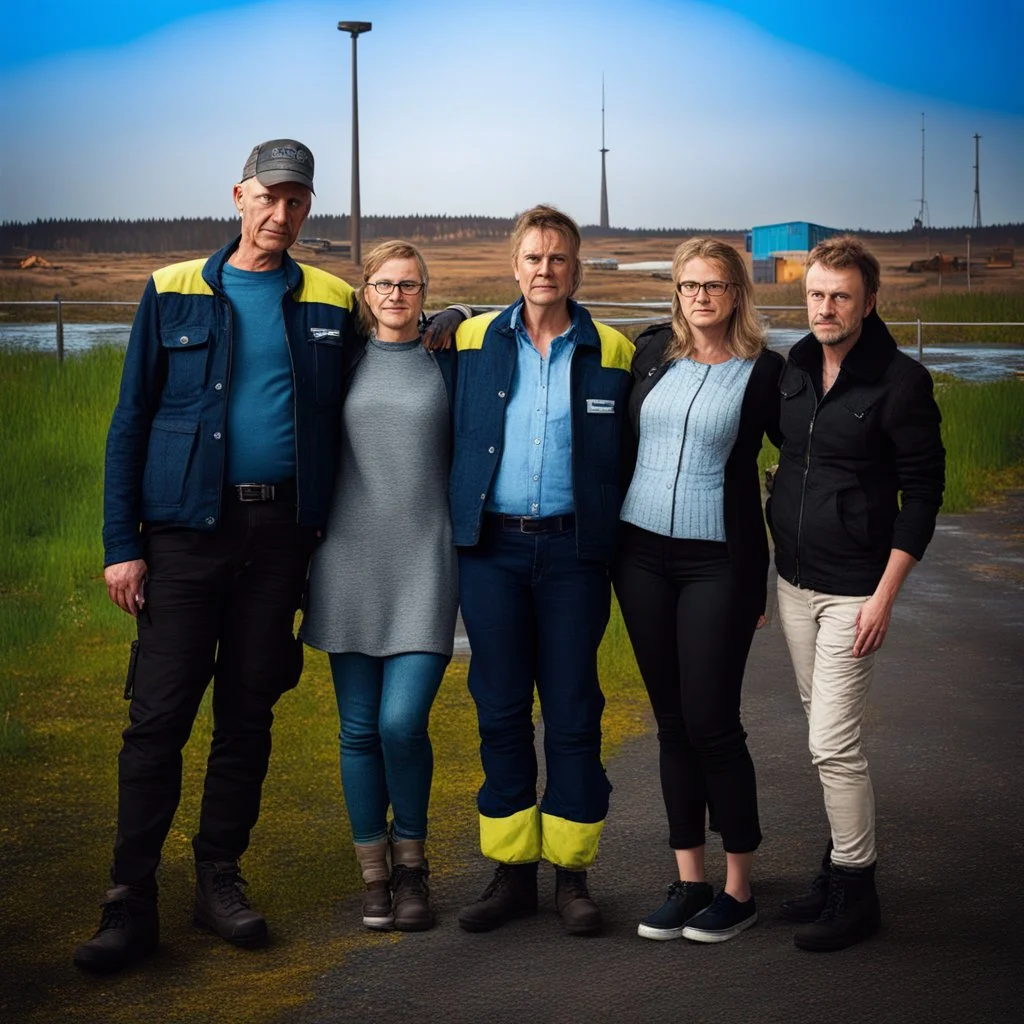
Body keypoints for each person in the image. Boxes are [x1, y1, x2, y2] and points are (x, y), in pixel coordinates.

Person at [74, 139, 361, 974]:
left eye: (297, 202)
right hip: (183, 539)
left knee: (248, 713)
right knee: (157, 718)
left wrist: (444, 325)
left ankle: (218, 879)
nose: (281, 215)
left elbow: (385, 357)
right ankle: (129, 900)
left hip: (280, 541)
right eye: (268, 198)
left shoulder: (332, 299)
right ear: (238, 196)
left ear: (308, 208)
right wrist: (121, 545)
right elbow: (131, 421)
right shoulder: (172, 291)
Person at [449, 205, 634, 936]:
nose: (544, 270)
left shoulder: (613, 350)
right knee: (498, 710)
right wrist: (449, 310)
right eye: (532, 258)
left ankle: (573, 876)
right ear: (514, 265)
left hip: (573, 556)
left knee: (571, 713)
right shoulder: (466, 339)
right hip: (490, 553)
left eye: (557, 259)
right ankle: (511, 873)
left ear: (575, 267)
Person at [769, 236, 945, 952]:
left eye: (841, 295)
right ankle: (839, 862)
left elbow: (924, 494)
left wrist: (884, 597)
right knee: (826, 735)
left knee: (830, 744)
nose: (826, 307)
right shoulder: (797, 368)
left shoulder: (901, 381)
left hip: (854, 595)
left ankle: (856, 888)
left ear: (869, 301)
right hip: (793, 586)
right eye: (816, 294)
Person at [613, 238, 783, 944]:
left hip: (719, 562)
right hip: (641, 557)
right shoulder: (653, 352)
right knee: (672, 722)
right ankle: (689, 880)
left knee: (712, 720)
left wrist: (775, 574)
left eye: (714, 285)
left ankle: (739, 889)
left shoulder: (769, 372)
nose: (700, 298)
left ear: (738, 292)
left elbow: (805, 457)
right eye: (688, 286)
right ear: (675, 292)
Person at [301, 241, 457, 933]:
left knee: (402, 722)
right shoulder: (340, 361)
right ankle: (374, 874)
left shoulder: (450, 359)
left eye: (410, 285)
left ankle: (414, 864)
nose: (396, 295)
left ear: (425, 292)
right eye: (384, 284)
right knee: (359, 730)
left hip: (425, 559)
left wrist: (458, 311)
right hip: (348, 560)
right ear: (365, 293)